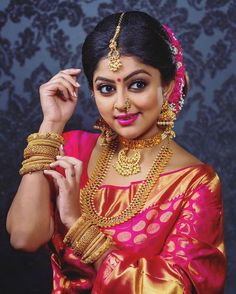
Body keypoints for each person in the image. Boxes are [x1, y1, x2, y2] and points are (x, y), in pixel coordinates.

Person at [6, 11, 226, 293]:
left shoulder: (195, 183)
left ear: (168, 84)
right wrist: (51, 124)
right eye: (107, 88)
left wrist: (78, 225)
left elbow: (176, 287)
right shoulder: (70, 150)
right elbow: (24, 238)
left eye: (137, 84)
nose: (121, 104)